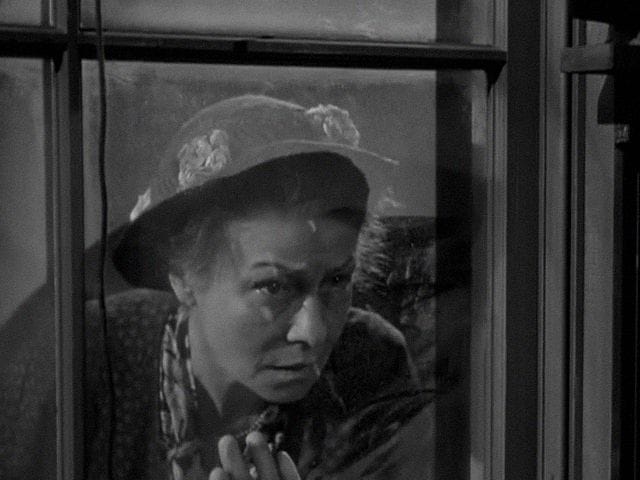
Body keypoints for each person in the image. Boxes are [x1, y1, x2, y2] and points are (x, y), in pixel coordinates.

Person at [2, 95, 433, 480]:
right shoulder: (84, 360)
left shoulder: (369, 361)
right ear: (183, 277)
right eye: (273, 286)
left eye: (337, 280)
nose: (314, 332)